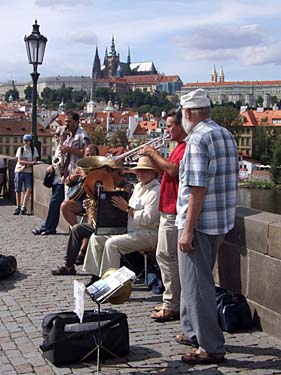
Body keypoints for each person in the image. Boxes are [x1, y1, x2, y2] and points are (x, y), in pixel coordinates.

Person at [176, 89, 238, 365]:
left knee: (197, 286)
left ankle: (210, 347)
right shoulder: (225, 133)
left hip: (199, 224)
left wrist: (187, 229)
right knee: (196, 281)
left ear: (188, 114)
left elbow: (197, 188)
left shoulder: (198, 139)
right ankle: (192, 331)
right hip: (221, 222)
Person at [82, 156, 160, 280]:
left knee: (112, 244)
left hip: (148, 233)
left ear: (154, 173)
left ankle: (111, 283)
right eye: (139, 171)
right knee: (96, 237)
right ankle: (96, 277)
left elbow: (147, 219)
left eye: (144, 171)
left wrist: (127, 209)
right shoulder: (139, 187)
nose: (140, 173)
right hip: (131, 229)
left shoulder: (156, 191)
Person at [51, 159, 133, 276]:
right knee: (76, 229)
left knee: (90, 232)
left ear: (117, 172)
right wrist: (91, 203)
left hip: (116, 226)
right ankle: (69, 265)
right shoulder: (107, 183)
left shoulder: (126, 188)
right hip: (103, 224)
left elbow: (117, 209)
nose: (106, 174)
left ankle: (91, 265)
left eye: (109, 171)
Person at [142, 109, 186, 322]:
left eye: (169, 126)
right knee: (165, 256)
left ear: (181, 125)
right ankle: (172, 300)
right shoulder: (178, 147)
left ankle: (172, 304)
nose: (166, 130)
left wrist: (152, 154)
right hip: (168, 208)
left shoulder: (185, 147)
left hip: (173, 210)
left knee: (166, 257)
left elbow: (173, 171)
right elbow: (168, 172)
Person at [31, 128, 66, 235]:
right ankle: (49, 228)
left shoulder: (66, 147)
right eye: (55, 135)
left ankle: (46, 227)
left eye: (58, 134)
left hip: (62, 181)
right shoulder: (60, 148)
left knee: (54, 204)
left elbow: (64, 164)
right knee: (54, 205)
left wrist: (55, 167)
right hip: (56, 181)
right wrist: (52, 166)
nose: (56, 137)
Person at [60, 144, 100, 227]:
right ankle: (77, 230)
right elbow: (67, 182)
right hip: (80, 201)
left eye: (92, 154)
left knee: (91, 216)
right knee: (65, 206)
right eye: (87, 155)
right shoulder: (80, 168)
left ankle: (85, 234)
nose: (90, 157)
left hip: (95, 201)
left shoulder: (101, 169)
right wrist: (72, 178)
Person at [61, 110, 91, 181]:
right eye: (65, 121)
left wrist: (70, 150)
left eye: (69, 121)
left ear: (76, 122)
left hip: (78, 174)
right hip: (68, 173)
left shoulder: (83, 135)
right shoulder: (68, 135)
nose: (66, 124)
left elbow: (88, 154)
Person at [13, 134, 39, 215]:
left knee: (29, 188)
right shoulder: (20, 149)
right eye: (25, 140)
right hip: (19, 171)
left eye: (27, 141)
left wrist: (25, 164)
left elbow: (35, 161)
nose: (26, 142)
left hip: (28, 172)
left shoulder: (33, 149)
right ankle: (18, 207)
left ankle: (23, 207)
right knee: (18, 189)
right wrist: (29, 163)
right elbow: (20, 161)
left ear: (30, 141)